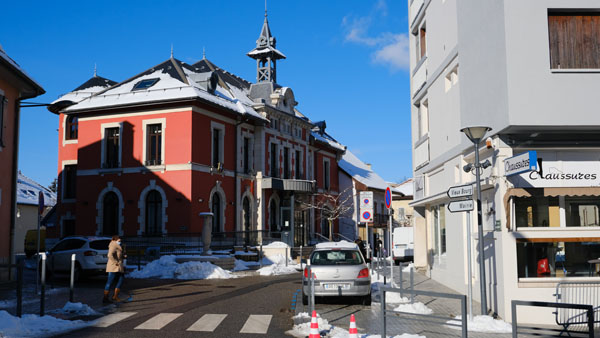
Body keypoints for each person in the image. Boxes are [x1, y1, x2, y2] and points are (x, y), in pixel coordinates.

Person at [103, 235, 125, 303]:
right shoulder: (113, 245)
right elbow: (109, 255)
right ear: (116, 239)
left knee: (121, 279)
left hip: (118, 266)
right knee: (110, 282)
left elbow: (117, 254)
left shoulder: (117, 245)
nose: (120, 241)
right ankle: (105, 298)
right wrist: (115, 262)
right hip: (113, 266)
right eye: (119, 240)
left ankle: (115, 296)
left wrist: (123, 256)